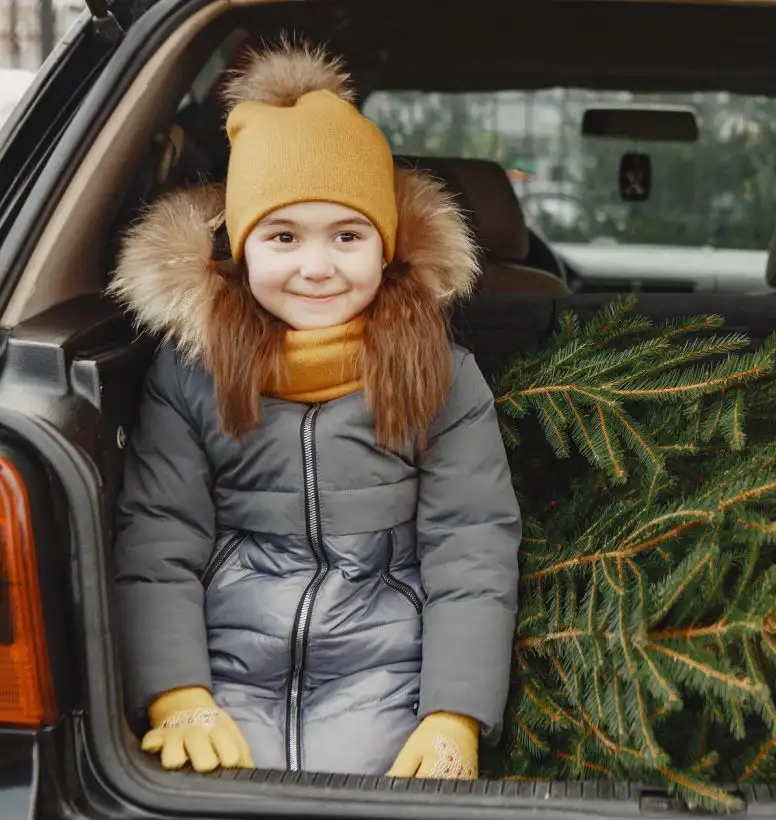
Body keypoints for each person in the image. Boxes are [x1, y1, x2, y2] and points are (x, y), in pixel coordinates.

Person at [107, 40, 521, 780]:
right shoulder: (191, 372)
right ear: (240, 245)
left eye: (349, 235)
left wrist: (453, 712)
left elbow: (471, 548)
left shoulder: (440, 371)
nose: (317, 266)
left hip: (388, 663)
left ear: (387, 246)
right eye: (284, 236)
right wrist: (176, 692)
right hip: (225, 659)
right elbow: (159, 540)